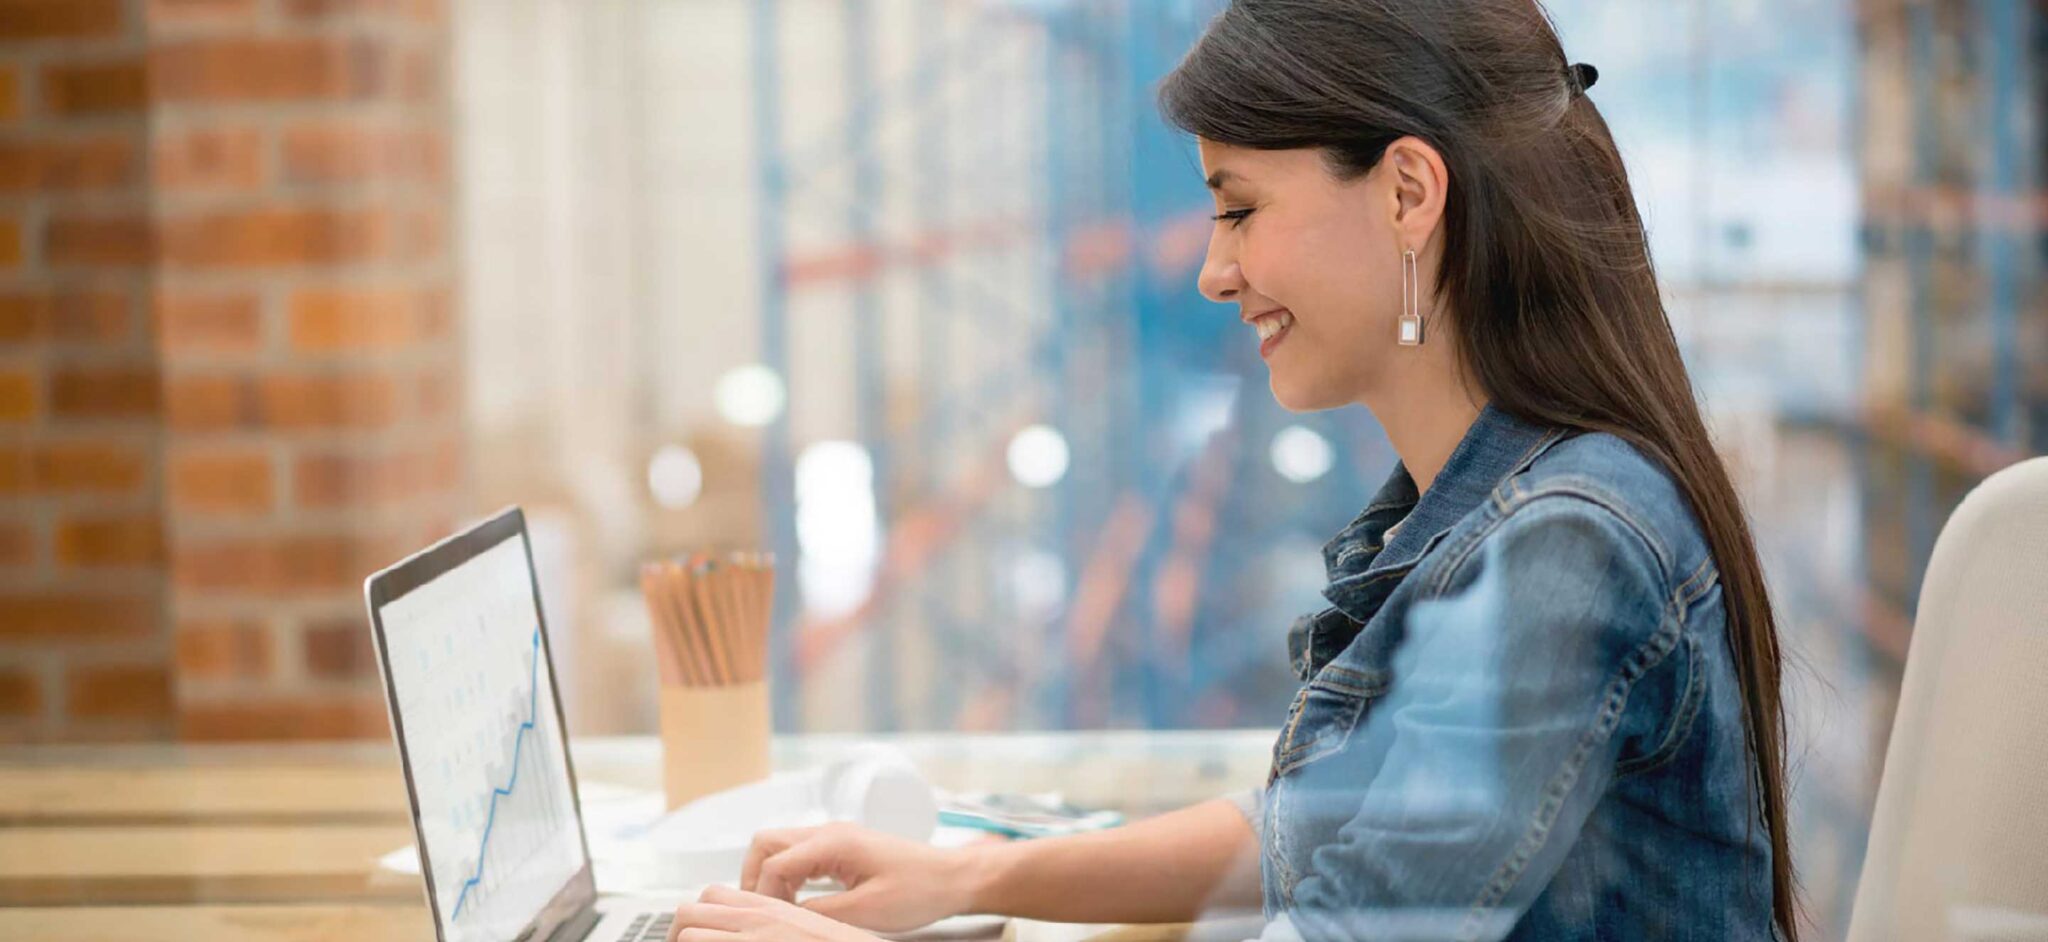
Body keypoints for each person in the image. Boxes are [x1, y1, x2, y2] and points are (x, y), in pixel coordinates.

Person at [667, 0, 1797, 939]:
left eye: (1240, 209)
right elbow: (1315, 831)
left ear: (1408, 194)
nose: (1213, 273)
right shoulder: (1479, 512)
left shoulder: (1563, 546)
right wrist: (968, 882)